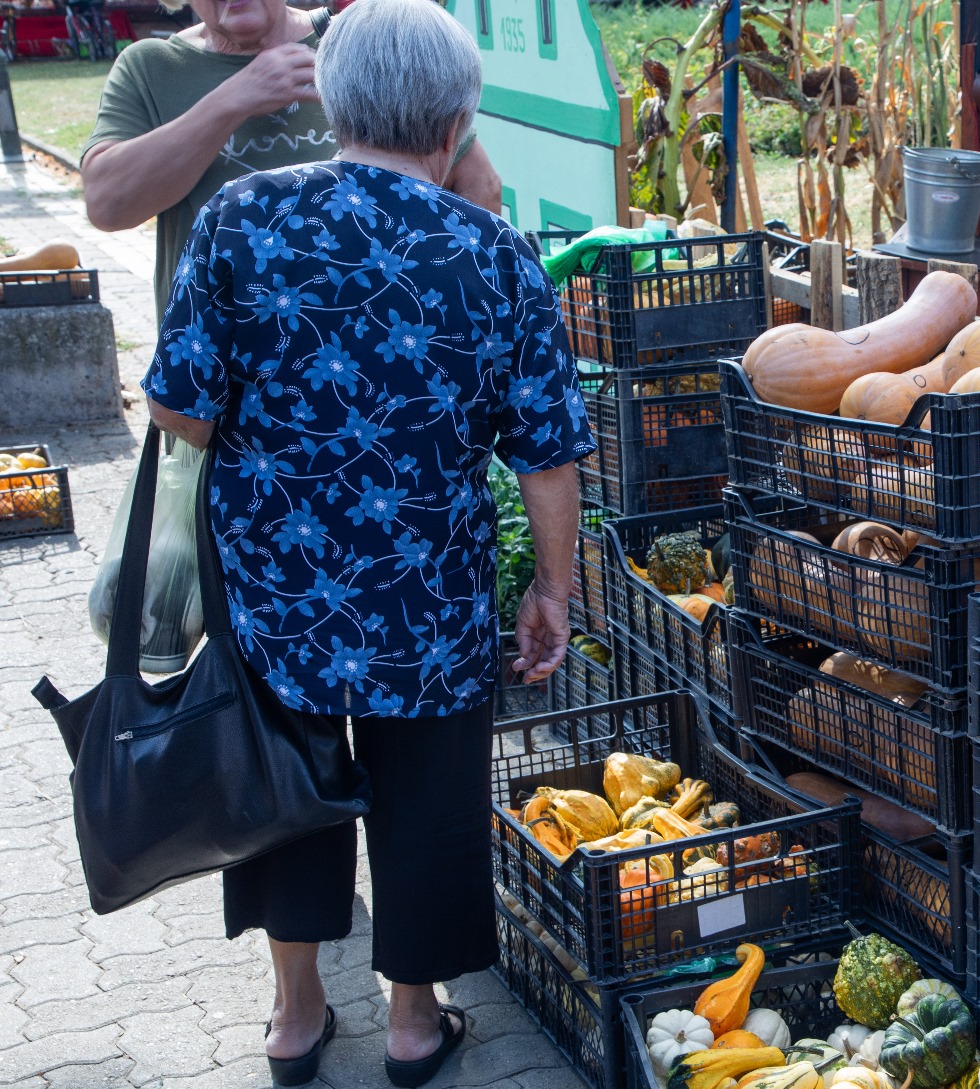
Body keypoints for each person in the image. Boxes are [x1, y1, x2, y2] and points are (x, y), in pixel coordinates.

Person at [139, 0, 591, 1084]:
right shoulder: (492, 248)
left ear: (333, 98)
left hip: (275, 584)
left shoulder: (242, 219)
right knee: (429, 792)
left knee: (283, 779)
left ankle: (295, 1017)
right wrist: (554, 593)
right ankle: (410, 1019)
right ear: (455, 119)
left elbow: (183, 413)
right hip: (425, 593)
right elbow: (547, 453)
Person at [81, 0, 502, 316]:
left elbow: (478, 185)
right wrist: (231, 100)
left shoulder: (352, 41)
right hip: (224, 367)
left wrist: (441, 306)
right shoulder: (152, 67)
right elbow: (108, 206)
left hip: (384, 348)